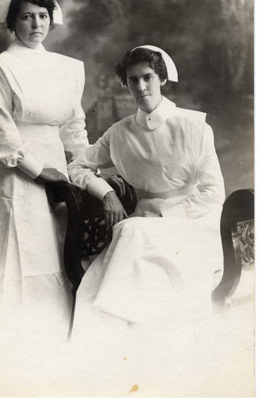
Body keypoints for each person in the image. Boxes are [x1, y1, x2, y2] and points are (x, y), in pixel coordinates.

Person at [67, 45, 225, 349]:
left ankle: (138, 342)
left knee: (131, 231)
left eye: (147, 77)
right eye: (132, 80)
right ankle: (120, 348)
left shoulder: (193, 126)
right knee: (132, 233)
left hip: (192, 224)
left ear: (161, 79)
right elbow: (77, 165)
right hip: (143, 224)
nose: (140, 87)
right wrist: (107, 192)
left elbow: (213, 192)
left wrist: (164, 217)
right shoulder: (120, 132)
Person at [0, 0, 89, 335]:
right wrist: (37, 170)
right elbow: (1, 135)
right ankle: (11, 338)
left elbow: (74, 126)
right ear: (12, 23)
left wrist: (80, 166)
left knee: (57, 249)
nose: (36, 24)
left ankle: (55, 334)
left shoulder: (67, 68)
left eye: (42, 16)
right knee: (16, 252)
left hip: (58, 171)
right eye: (27, 17)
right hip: (15, 171)